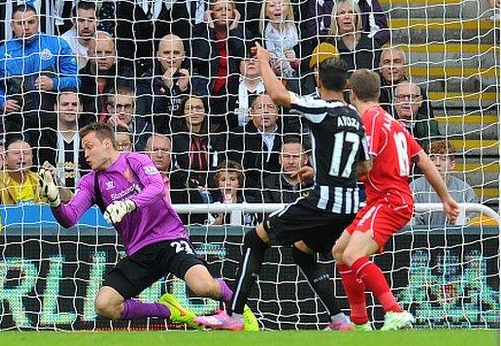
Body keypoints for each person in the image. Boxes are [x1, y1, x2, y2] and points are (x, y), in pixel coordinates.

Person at [195, 50, 369, 331]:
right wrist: (317, 172)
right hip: (349, 206)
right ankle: (339, 319)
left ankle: (234, 315)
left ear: (317, 81)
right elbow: (364, 166)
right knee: (302, 251)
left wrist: (263, 60)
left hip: (324, 202)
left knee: (255, 238)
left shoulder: (321, 107)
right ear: (346, 84)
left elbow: (278, 96)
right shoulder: (355, 116)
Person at [38, 122, 258, 330]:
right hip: (139, 251)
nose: (85, 154)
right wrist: (55, 201)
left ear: (107, 143)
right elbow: (69, 217)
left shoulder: (135, 161)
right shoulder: (91, 181)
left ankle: (240, 309)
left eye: (89, 147)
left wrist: (129, 204)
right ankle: (171, 311)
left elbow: (156, 189)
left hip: (169, 238)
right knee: (105, 305)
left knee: (203, 287)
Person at [331, 69, 460, 330]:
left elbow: (366, 165)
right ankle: (359, 322)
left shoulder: (371, 119)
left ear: (351, 95)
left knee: (354, 253)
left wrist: (329, 175)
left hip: (389, 199)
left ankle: (394, 311)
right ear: (379, 93)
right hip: (387, 199)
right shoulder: (394, 123)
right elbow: (423, 161)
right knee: (340, 252)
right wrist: (445, 198)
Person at [0, 4, 79, 138]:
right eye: (21, 23)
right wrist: (1, 102)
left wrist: (54, 83)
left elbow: (76, 81)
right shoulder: (1, 53)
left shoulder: (58, 45)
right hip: (17, 123)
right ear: (12, 26)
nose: (26, 27)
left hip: (54, 121)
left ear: (38, 22)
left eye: (31, 22)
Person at [136, 33, 207, 134]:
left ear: (183, 56)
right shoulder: (146, 81)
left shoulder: (198, 81)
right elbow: (149, 120)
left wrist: (185, 90)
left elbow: (203, 116)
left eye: (176, 53)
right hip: (159, 139)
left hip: (188, 137)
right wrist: (165, 91)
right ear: (158, 56)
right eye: (166, 53)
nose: (171, 57)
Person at [410, 140, 477, 226]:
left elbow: (470, 224)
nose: (437, 163)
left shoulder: (465, 191)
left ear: (452, 165)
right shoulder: (415, 187)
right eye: (432, 159)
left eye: (443, 159)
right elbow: (413, 225)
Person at [0, 138, 45, 205]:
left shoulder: (39, 179)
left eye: (26, 153)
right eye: (16, 153)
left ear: (32, 159)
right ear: (6, 159)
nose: (22, 157)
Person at [328, 0, 380, 72]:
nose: (347, 16)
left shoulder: (371, 44)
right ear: (335, 18)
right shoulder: (329, 45)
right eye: (342, 13)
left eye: (351, 12)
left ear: (357, 17)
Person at [206, 160, 258, 226]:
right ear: (218, 184)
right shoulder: (212, 209)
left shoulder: (248, 207)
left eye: (232, 179)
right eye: (223, 180)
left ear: (239, 183)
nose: (228, 183)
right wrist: (218, 222)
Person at [260, 0, 300, 79]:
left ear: (289, 9)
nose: (277, 8)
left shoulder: (301, 34)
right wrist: (272, 71)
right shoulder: (260, 39)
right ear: (265, 12)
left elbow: (307, 69)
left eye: (282, 4)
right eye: (272, 5)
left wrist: (295, 63)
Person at [393, 81, 441, 151]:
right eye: (401, 97)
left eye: (411, 97)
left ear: (420, 101)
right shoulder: (386, 124)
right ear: (394, 101)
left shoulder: (430, 126)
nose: (406, 101)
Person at [263, 135, 310, 204]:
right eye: (286, 156)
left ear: (305, 159)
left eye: (296, 156)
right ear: (279, 159)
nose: (291, 161)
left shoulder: (314, 184)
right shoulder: (268, 185)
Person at [61, 0, 97, 69]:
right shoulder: (64, 42)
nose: (86, 26)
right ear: (74, 22)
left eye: (90, 20)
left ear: (98, 21)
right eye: (81, 20)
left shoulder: (105, 40)